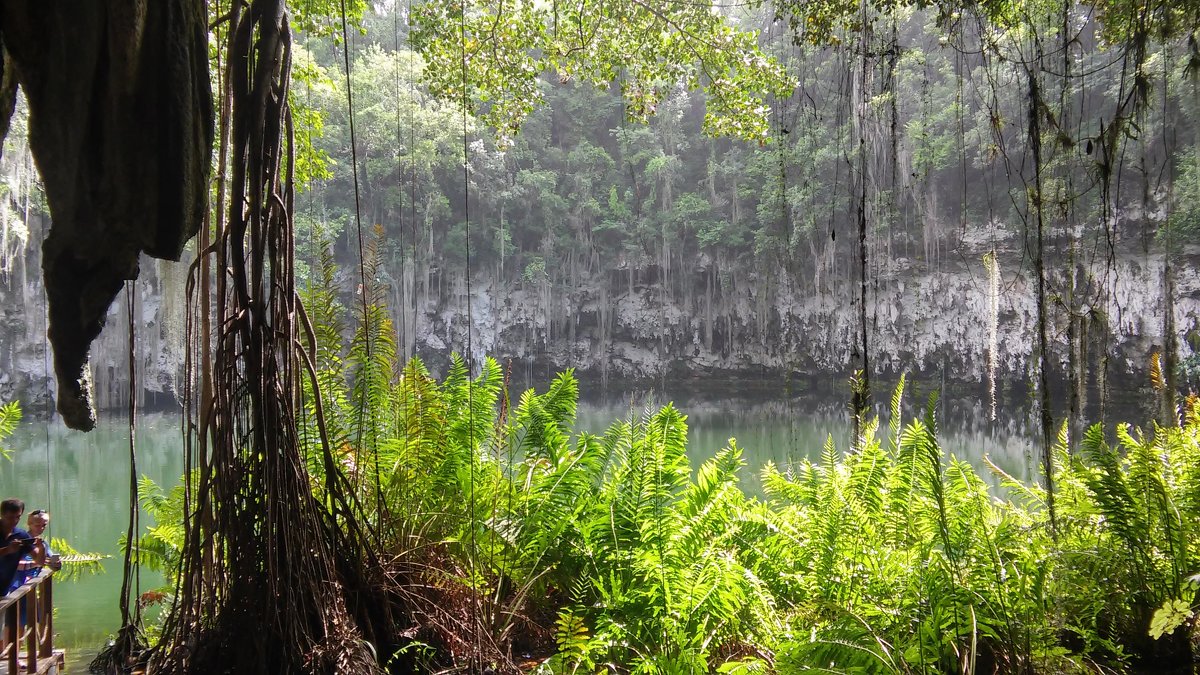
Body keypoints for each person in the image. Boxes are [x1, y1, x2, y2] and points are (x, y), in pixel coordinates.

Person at [12, 510, 59, 590]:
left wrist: (56, 564)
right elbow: (13, 565)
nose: (41, 528)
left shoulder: (43, 543)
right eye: (37, 525)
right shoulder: (21, 542)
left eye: (44, 525)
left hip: (30, 587)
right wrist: (36, 563)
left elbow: (54, 565)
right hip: (15, 588)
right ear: (29, 524)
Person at [0, 498, 39, 595]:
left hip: (4, 591)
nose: (14, 521)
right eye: (10, 517)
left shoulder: (21, 535)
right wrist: (8, 550)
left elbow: (39, 560)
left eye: (18, 517)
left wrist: (41, 547)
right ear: (2, 515)